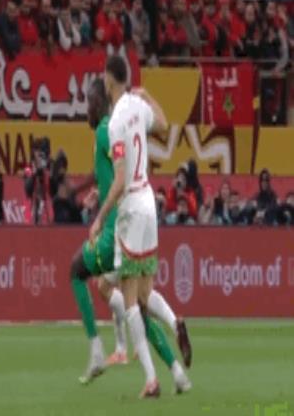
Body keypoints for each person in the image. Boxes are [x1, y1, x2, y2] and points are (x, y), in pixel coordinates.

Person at [72, 79, 191, 393]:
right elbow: (116, 171)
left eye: (88, 102)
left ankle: (101, 351)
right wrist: (98, 190)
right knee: (128, 294)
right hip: (139, 212)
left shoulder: (106, 129)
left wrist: (100, 217)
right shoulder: (124, 121)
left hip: (119, 227)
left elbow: (120, 175)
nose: (85, 109)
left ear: (99, 103)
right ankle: (177, 371)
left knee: (80, 273)